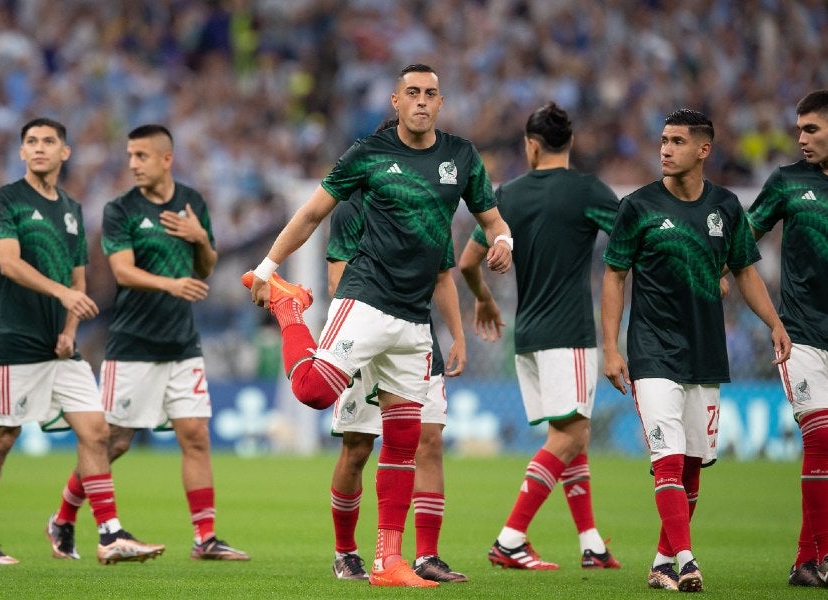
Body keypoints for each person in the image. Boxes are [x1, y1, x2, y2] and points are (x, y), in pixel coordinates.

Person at [242, 64, 513, 587]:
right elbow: (310, 214)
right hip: (365, 300)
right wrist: (268, 270)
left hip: (415, 322)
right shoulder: (368, 156)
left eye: (431, 93)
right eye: (412, 93)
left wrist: (503, 241)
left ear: (441, 101)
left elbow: (490, 222)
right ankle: (289, 311)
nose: (421, 101)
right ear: (395, 101)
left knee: (405, 440)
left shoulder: (461, 158)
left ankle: (390, 561)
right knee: (315, 393)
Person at [601, 108, 791, 592]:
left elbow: (745, 270)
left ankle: (662, 561)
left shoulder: (725, 207)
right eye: (663, 140)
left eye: (677, 141)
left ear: (703, 150)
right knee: (666, 457)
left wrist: (773, 323)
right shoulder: (638, 207)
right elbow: (615, 276)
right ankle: (687, 559)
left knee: (691, 466)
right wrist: (610, 346)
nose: (665, 149)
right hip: (652, 352)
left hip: (705, 354)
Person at [0, 117, 165, 566]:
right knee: (2, 436)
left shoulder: (71, 209)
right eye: (30, 142)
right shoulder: (7, 200)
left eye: (48, 141)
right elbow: (10, 264)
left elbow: (79, 280)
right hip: (16, 340)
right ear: (21, 153)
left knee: (98, 432)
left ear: (64, 152)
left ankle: (110, 535)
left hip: (60, 346)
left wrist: (70, 332)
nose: (38, 148)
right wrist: (63, 295)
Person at [46, 124, 249, 562]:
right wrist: (172, 285)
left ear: (166, 159)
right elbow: (123, 271)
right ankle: (63, 517)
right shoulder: (120, 209)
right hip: (134, 343)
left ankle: (205, 538)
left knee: (195, 436)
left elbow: (207, 266)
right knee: (114, 442)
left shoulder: (192, 203)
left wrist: (200, 241)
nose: (133, 164)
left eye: (141, 156)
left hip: (182, 343)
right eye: (130, 156)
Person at [457, 102, 621, 571]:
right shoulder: (588, 191)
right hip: (569, 330)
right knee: (571, 435)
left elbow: (467, 263)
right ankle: (510, 539)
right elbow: (633, 237)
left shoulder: (507, 195)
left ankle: (591, 543)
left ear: (531, 145)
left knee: (572, 436)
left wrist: (484, 300)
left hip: (526, 333)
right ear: (569, 143)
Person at [326, 142, 468, 582]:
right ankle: (346, 551)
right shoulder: (350, 208)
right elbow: (338, 274)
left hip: (415, 334)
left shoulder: (428, 208)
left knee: (427, 440)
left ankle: (425, 555)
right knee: (357, 447)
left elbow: (443, 275)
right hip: (366, 330)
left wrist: (458, 335)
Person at [745, 89, 828, 588]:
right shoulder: (787, 183)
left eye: (811, 129)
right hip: (800, 334)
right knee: (822, 437)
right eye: (799, 129)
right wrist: (720, 271)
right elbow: (743, 238)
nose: (801, 138)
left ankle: (805, 562)